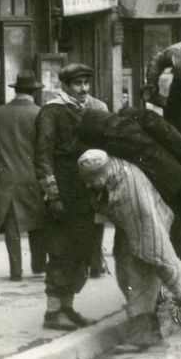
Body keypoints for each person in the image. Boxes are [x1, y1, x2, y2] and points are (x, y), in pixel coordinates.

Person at [77, 149, 181, 353]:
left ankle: (141, 337)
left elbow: (156, 245)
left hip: (147, 225)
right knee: (125, 274)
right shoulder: (112, 172)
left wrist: (178, 288)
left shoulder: (129, 189)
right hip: (130, 226)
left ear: (103, 172)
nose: (88, 185)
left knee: (140, 279)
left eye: (92, 180)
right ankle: (152, 332)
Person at [34, 63, 108, 331]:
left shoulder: (88, 109)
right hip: (62, 190)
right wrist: (52, 193)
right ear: (65, 86)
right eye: (78, 84)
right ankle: (53, 312)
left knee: (80, 249)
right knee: (60, 250)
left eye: (86, 83)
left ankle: (67, 307)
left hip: (82, 191)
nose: (84, 88)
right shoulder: (51, 112)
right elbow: (43, 155)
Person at [0, 70, 48, 281]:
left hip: (8, 176)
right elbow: (43, 147)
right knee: (38, 222)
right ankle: (39, 265)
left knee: (12, 225)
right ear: (34, 91)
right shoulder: (40, 113)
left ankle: (16, 271)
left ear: (16, 90)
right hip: (33, 176)